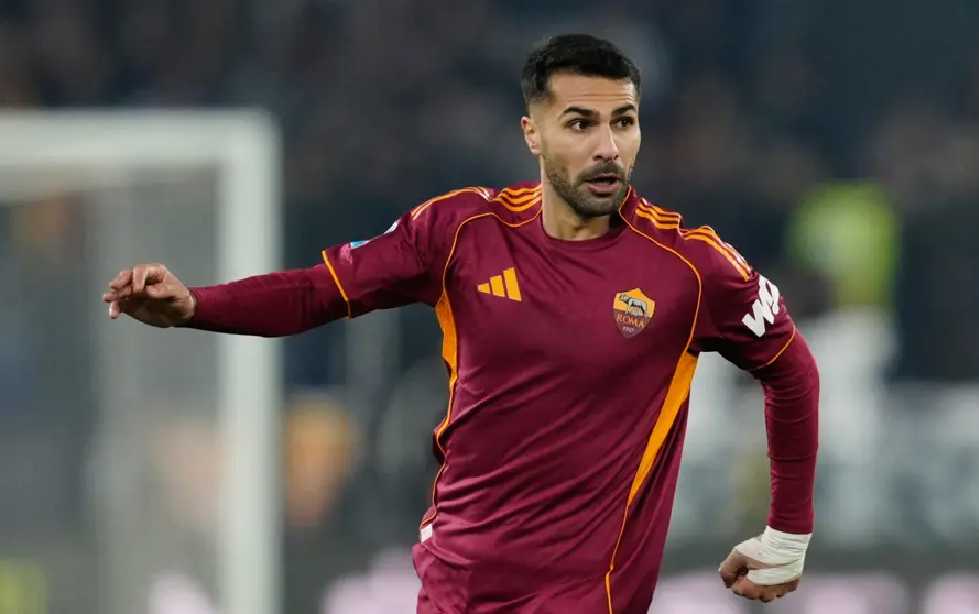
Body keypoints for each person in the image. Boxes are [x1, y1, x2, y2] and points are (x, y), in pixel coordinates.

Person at [102, 34, 819, 614]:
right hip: (454, 593)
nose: (607, 146)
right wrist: (197, 305)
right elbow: (320, 291)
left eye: (623, 122)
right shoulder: (461, 232)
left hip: (585, 602)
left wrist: (787, 532)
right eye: (580, 124)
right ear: (532, 134)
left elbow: (791, 370)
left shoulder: (690, 268)